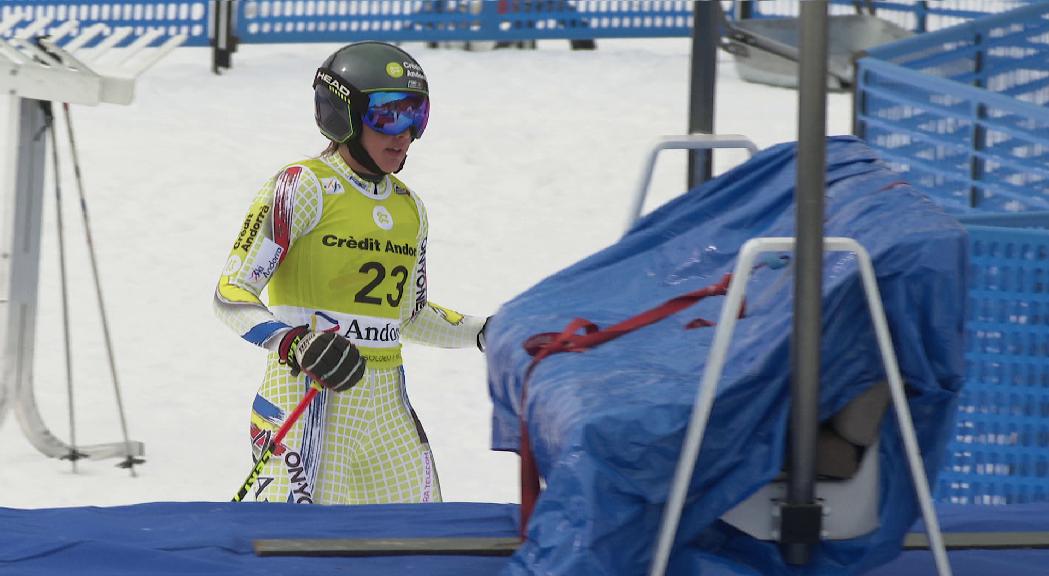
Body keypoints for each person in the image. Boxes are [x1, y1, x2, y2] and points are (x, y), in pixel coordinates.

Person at [213, 41, 488, 505]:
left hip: (386, 408)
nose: (403, 134)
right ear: (342, 114)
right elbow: (230, 293)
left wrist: (486, 333)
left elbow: (407, 315)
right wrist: (294, 341)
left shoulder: (409, 207)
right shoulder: (302, 185)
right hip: (307, 399)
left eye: (416, 115)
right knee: (301, 556)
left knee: (427, 548)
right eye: (387, 115)